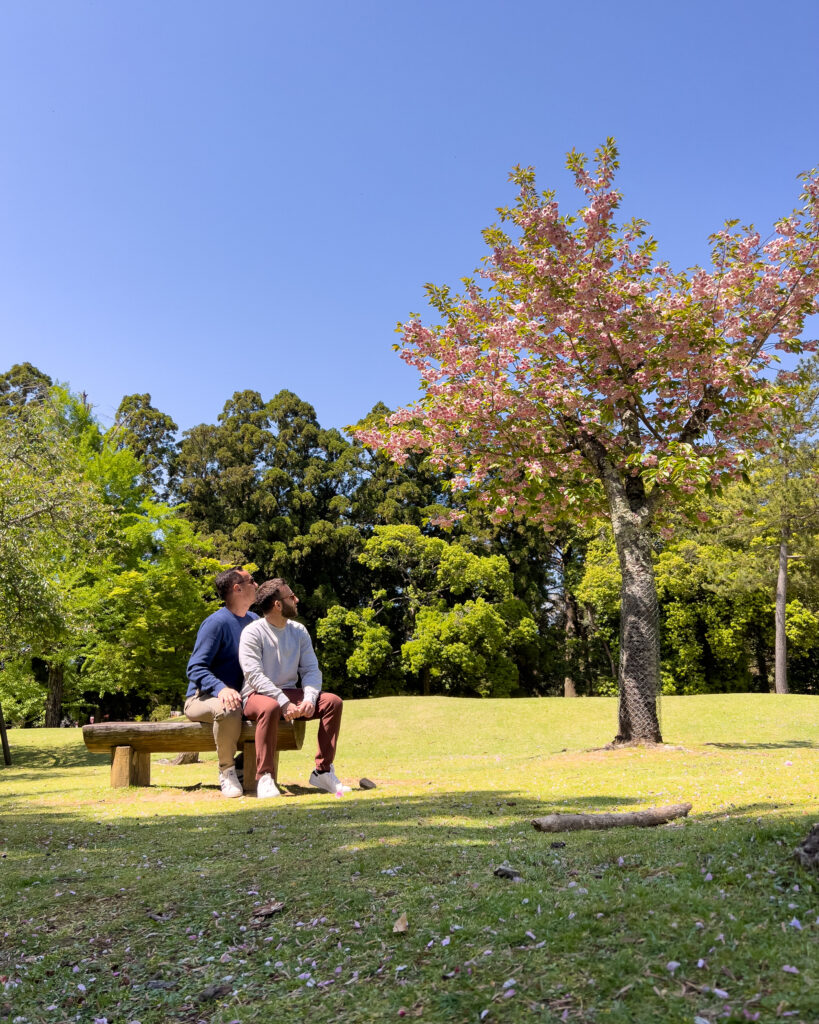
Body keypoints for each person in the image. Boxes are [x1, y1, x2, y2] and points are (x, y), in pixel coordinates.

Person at [238, 578, 348, 799]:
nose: (296, 599)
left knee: (332, 702)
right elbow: (254, 675)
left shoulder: (299, 631)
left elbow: (311, 670)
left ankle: (323, 771)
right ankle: (265, 777)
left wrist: (309, 698)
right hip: (255, 695)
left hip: (289, 693)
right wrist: (283, 702)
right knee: (269, 707)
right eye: (291, 596)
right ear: (278, 604)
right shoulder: (253, 632)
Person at [185, 567, 259, 798]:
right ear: (237, 588)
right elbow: (195, 667)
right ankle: (226, 772)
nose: (257, 585)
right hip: (202, 698)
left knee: (271, 709)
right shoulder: (215, 623)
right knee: (229, 709)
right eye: (252, 581)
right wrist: (221, 688)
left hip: (242, 697)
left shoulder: (255, 621)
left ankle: (246, 765)